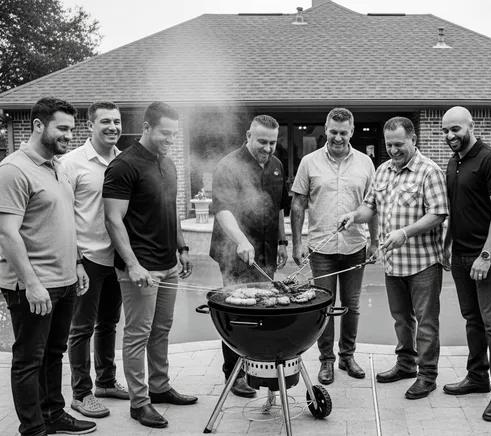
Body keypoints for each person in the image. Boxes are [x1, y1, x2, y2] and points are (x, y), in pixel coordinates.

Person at [0, 97, 96, 435]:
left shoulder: (58, 167)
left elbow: (63, 222)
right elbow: (6, 234)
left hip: (64, 281)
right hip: (34, 285)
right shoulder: (12, 170)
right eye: (62, 128)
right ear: (38, 126)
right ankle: (33, 428)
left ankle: (53, 414)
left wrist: (78, 262)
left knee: (54, 352)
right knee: (28, 360)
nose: (69, 135)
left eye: (71, 128)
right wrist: (32, 284)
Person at [338, 117, 448, 400]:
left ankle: (427, 375)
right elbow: (369, 206)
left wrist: (406, 233)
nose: (393, 150)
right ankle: (406, 365)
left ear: (413, 140)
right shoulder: (383, 170)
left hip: (423, 261)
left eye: (399, 144)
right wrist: (354, 216)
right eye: (389, 144)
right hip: (393, 263)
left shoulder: (429, 171)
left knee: (426, 322)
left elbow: (438, 214)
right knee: (401, 319)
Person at [103, 101, 196, 429]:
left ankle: (159, 387)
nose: (170, 138)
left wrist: (182, 248)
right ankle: (139, 403)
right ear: (146, 127)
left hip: (168, 264)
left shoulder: (168, 164)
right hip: (141, 268)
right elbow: (113, 220)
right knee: (138, 333)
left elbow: (171, 211)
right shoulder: (123, 166)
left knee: (161, 330)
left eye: (174, 133)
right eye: (164, 133)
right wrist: (133, 265)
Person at [291, 108, 378, 385]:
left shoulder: (365, 163)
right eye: (333, 132)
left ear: (351, 132)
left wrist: (375, 241)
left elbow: (372, 205)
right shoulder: (309, 162)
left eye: (343, 132)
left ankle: (348, 357)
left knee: (351, 304)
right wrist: (296, 242)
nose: (338, 138)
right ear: (325, 129)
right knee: (324, 305)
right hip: (320, 248)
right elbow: (297, 204)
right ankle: (326, 360)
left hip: (355, 245)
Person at [440, 106, 491, 422]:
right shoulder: (453, 162)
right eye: (445, 131)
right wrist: (446, 246)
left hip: (490, 258)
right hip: (460, 255)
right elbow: (456, 210)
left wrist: (485, 255)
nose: (449, 136)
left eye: (455, 129)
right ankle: (477, 377)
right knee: (472, 319)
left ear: (472, 125)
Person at [209, 114, 289, 398]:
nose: (267, 148)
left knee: (264, 307)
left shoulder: (277, 165)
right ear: (248, 135)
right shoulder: (229, 166)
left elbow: (279, 206)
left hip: (266, 251)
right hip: (234, 252)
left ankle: (259, 364)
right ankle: (234, 373)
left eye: (272, 142)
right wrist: (241, 240)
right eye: (262, 141)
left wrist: (282, 240)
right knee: (237, 313)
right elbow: (222, 210)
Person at [60, 101, 129, 419]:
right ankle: (81, 393)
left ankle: (105, 382)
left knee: (109, 324)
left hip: (115, 257)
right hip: (86, 257)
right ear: (90, 126)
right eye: (105, 121)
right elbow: (62, 217)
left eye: (117, 121)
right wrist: (74, 261)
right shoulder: (71, 164)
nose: (113, 127)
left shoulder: (123, 161)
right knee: (81, 328)